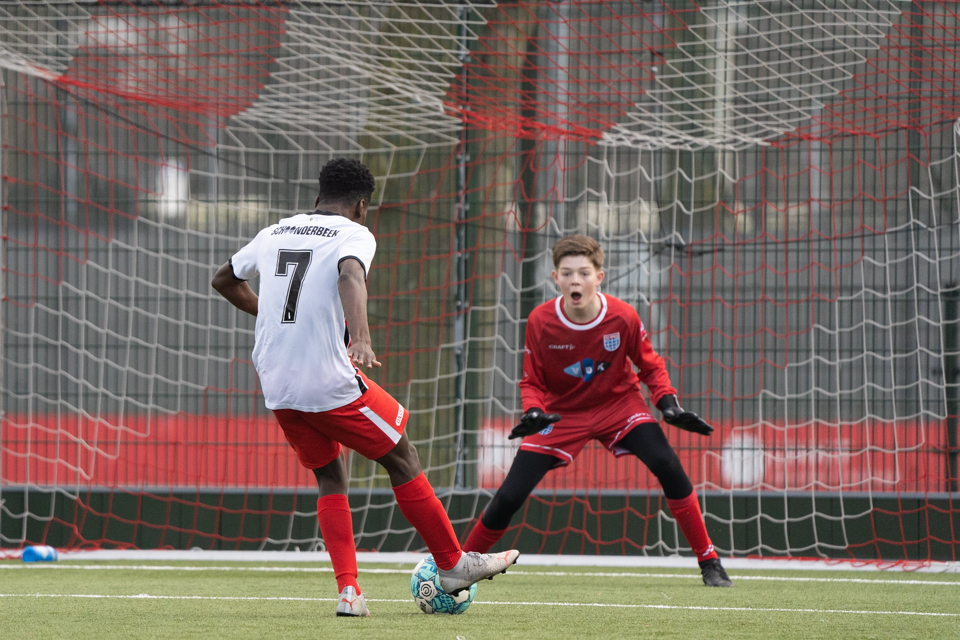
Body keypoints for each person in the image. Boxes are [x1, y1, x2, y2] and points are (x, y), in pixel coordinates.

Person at [212, 158, 519, 617]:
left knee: (330, 475)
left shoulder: (276, 231)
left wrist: (276, 319)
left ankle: (349, 593)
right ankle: (453, 564)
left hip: (276, 381)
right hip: (328, 380)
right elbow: (350, 275)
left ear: (316, 199)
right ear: (361, 206)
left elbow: (223, 280)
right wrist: (362, 338)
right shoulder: (354, 233)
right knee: (401, 455)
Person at [462, 234, 732, 587]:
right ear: (555, 278)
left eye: (584, 273)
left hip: (618, 406)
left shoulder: (623, 317)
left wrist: (667, 403)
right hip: (560, 416)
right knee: (508, 497)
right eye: (567, 273)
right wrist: (533, 412)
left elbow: (650, 366)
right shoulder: (540, 322)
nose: (576, 280)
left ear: (599, 277)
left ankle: (709, 561)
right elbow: (532, 382)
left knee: (667, 462)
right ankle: (458, 567)